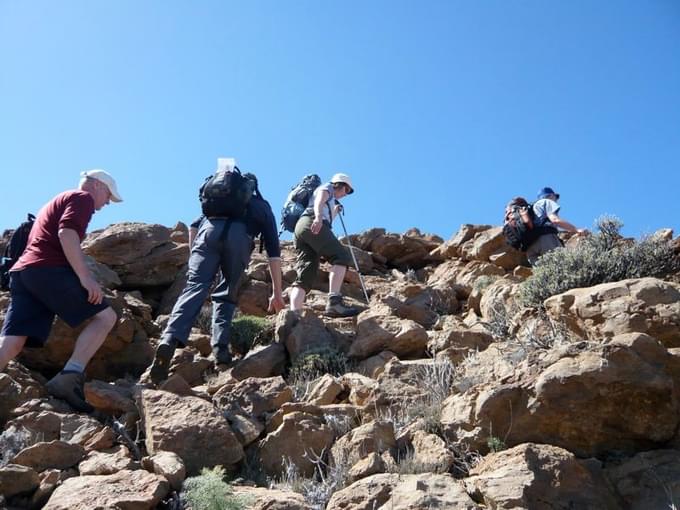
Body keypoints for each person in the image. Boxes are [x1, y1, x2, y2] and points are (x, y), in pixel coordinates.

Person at [0, 170, 122, 412]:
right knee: (106, 317)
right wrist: (86, 278)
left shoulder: (55, 200)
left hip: (24, 273)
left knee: (12, 342)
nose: (107, 202)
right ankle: (69, 377)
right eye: (108, 195)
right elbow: (66, 233)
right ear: (97, 186)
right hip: (47, 270)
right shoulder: (82, 198)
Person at [149, 169, 285, 384]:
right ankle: (221, 351)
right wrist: (277, 292)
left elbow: (193, 226)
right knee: (226, 293)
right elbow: (274, 253)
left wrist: (194, 253)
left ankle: (169, 338)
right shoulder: (261, 206)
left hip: (208, 232)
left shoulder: (217, 201)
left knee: (195, 286)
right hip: (239, 239)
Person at [289, 173, 360, 317]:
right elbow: (319, 201)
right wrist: (318, 218)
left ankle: (293, 314)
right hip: (311, 222)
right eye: (346, 190)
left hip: (301, 228)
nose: (346, 194)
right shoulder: (327, 188)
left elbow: (328, 222)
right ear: (339, 184)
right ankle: (334, 302)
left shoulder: (332, 199)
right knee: (341, 256)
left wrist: (333, 211)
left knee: (306, 273)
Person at [526, 186, 588, 265]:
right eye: (555, 197)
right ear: (550, 196)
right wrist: (576, 229)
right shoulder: (546, 202)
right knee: (562, 268)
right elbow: (555, 220)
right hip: (546, 240)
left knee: (545, 274)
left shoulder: (532, 208)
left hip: (530, 247)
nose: (556, 200)